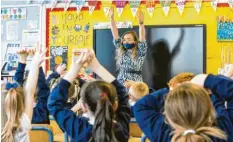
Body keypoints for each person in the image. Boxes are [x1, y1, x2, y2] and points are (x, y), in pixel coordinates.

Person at [48, 49, 131, 142]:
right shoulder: (121, 130)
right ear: (115, 105)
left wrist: (73, 71)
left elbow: (54, 103)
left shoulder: (78, 128)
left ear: (83, 107)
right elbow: (123, 94)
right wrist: (97, 68)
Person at [134, 74, 233, 142]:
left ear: (168, 114)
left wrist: (173, 89)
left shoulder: (164, 133)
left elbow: (140, 106)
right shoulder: (224, 131)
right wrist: (207, 80)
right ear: (209, 106)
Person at [1, 46, 49, 141]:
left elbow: (24, 89)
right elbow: (31, 92)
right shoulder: (23, 123)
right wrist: (36, 64)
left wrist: (23, 60)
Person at [110, 8, 147, 84]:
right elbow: (115, 33)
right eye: (124, 39)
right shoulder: (121, 49)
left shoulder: (140, 52)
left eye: (129, 39)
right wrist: (111, 18)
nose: (126, 41)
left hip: (136, 82)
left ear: (135, 41)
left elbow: (142, 37)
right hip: (121, 81)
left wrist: (141, 23)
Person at [13, 48, 51, 124]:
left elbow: (17, 85)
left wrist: (22, 60)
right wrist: (38, 64)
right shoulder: (42, 108)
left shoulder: (19, 112)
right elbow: (43, 88)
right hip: (42, 135)